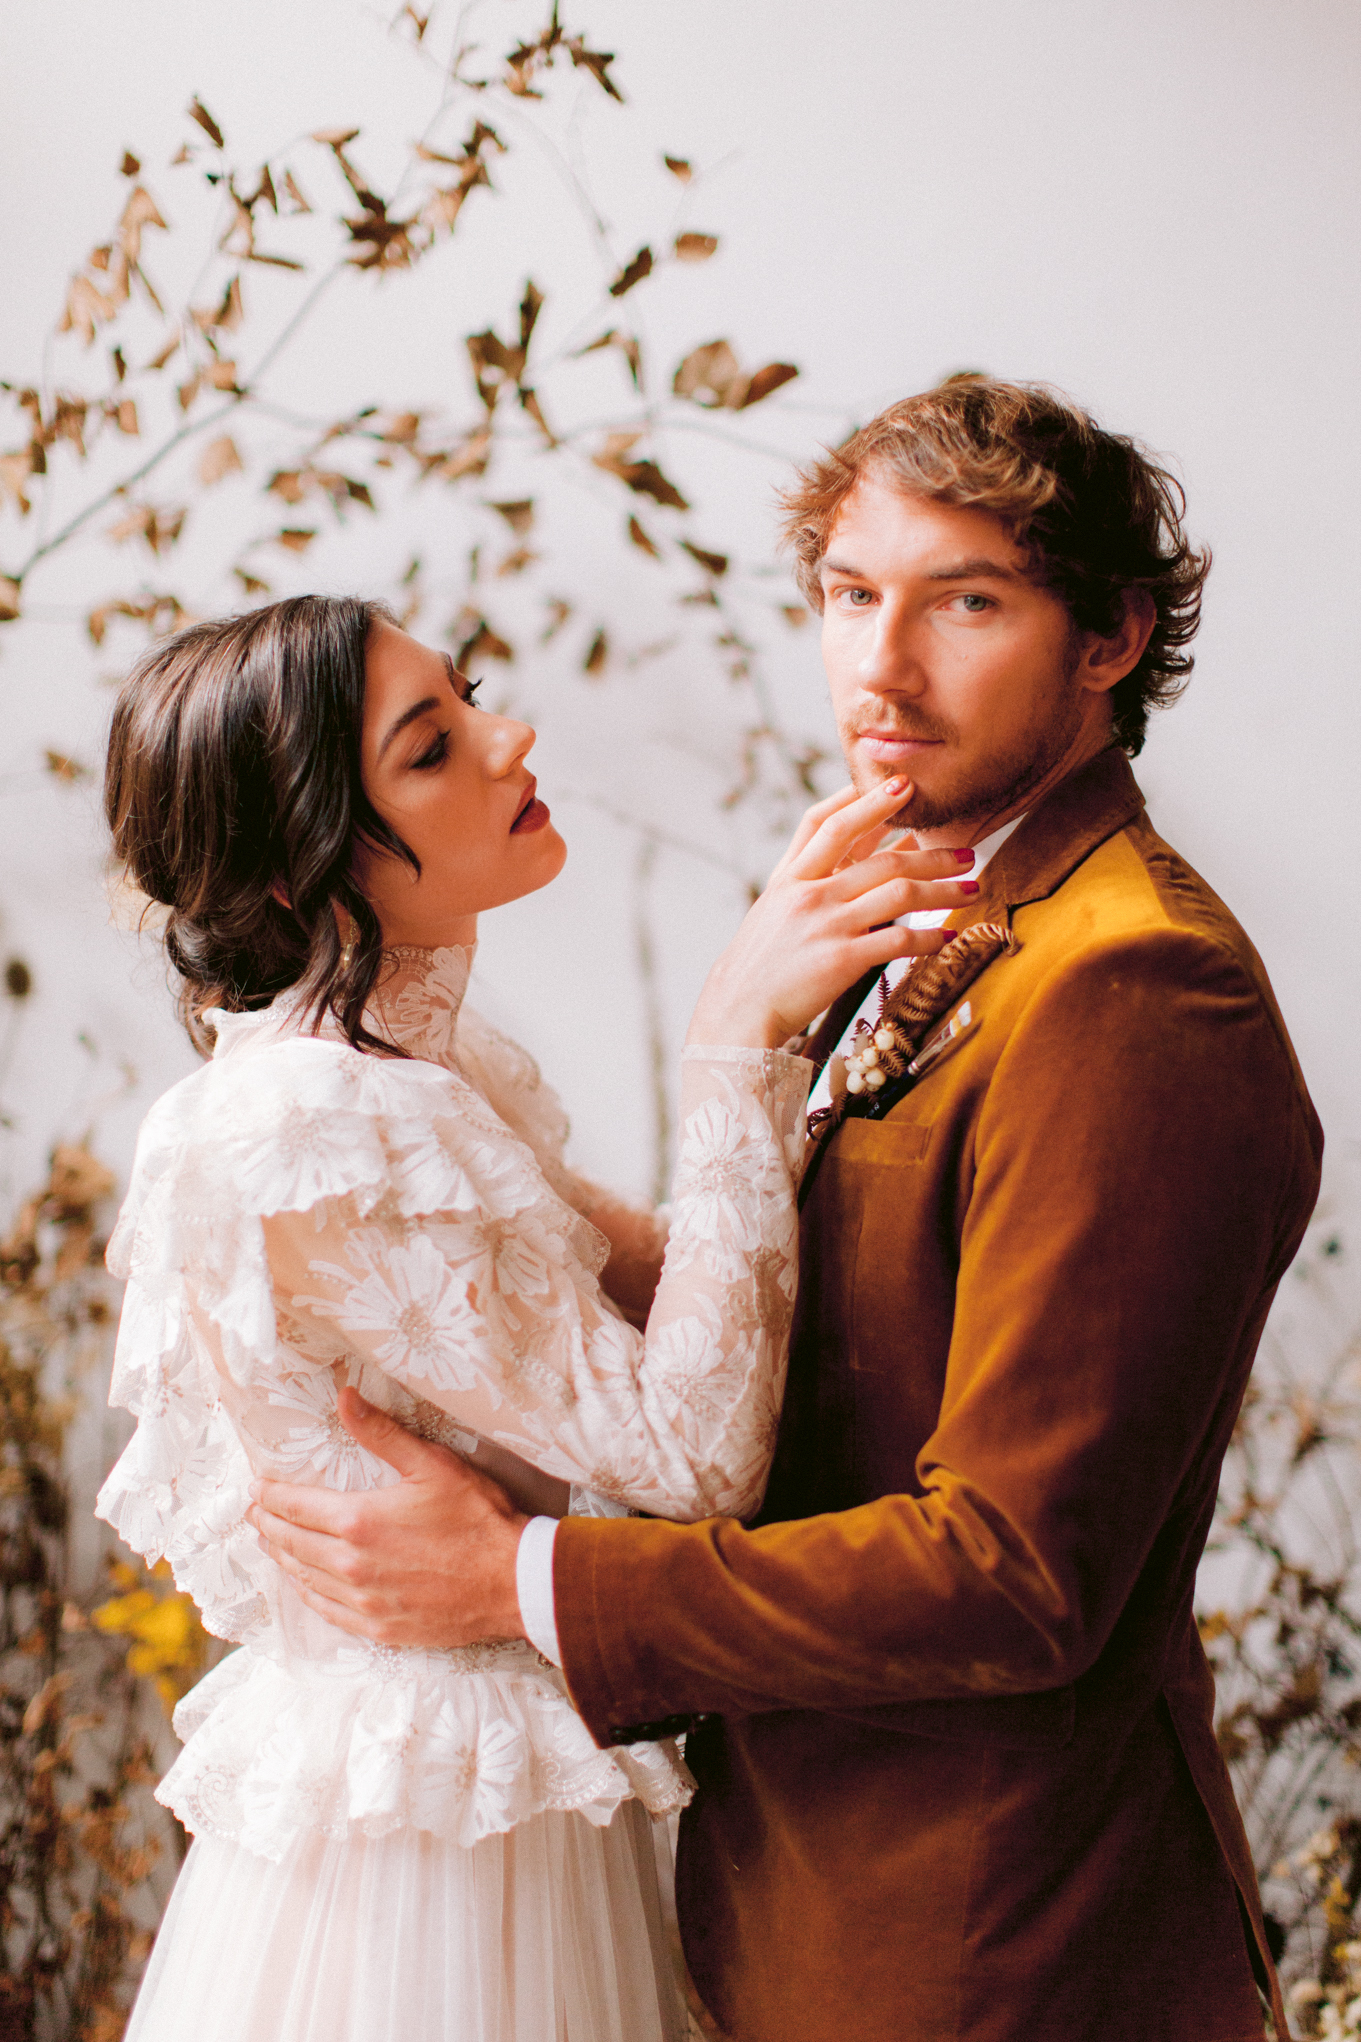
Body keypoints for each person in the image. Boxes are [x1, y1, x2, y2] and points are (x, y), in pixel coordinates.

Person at [252, 379, 1324, 2042]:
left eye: (964, 602)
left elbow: (1012, 1572)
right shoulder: (922, 885)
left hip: (990, 1953)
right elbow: (834, 1329)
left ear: (1109, 637)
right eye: (847, 593)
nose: (878, 669)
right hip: (797, 1900)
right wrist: (456, 1172)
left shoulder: (1133, 987)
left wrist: (524, 1579)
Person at [96, 593, 977, 2042]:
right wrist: (732, 1041)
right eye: (430, 746)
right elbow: (690, 1457)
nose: (509, 738)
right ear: (306, 863)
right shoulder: (320, 1120)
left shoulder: (410, 1074)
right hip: (434, 1845)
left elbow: (680, 1286)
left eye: (468, 695)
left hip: (495, 1783)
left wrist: (812, 995)